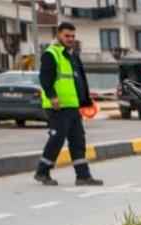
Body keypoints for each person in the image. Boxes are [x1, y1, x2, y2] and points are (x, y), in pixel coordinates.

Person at [34, 22, 102, 187]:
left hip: (72, 106)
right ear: (58, 35)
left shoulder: (72, 55)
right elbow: (45, 79)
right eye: (67, 36)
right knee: (57, 139)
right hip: (57, 107)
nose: (70, 39)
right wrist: (52, 97)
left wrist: (85, 100)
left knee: (78, 140)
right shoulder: (51, 54)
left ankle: (83, 176)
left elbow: (79, 80)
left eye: (72, 36)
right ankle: (42, 172)